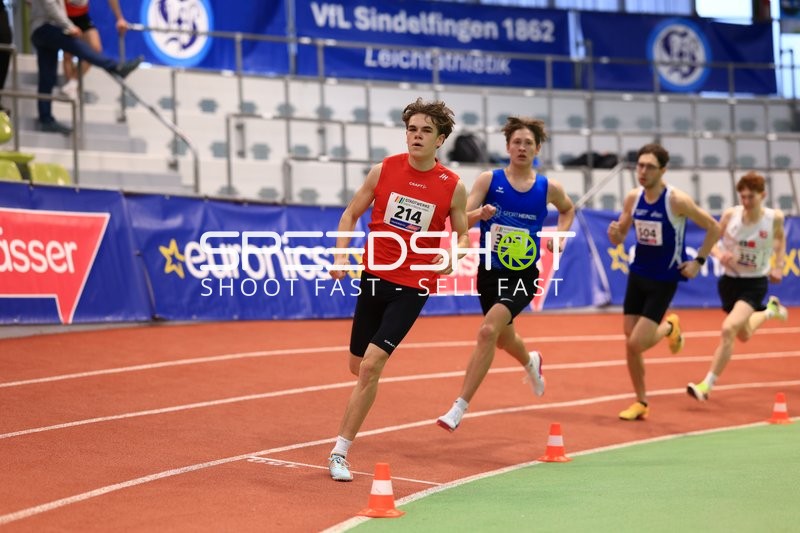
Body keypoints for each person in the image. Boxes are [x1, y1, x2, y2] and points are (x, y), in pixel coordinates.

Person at [326, 98, 470, 482]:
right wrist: (341, 256)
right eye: (412, 129)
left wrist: (452, 256)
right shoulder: (384, 170)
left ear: (440, 139)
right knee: (357, 366)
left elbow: (462, 234)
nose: (416, 136)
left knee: (372, 366)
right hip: (375, 277)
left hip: (413, 285)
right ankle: (367, 384)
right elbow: (350, 214)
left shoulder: (452, 186)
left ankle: (339, 452)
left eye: (425, 131)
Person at [436, 116, 575, 432]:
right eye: (517, 142)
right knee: (502, 337)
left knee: (487, 331)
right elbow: (461, 222)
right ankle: (531, 362)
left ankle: (459, 406)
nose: (522, 147)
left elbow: (568, 210)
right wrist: (479, 214)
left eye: (528, 143)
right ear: (508, 147)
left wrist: (560, 236)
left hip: (524, 275)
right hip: (489, 272)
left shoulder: (547, 188)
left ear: (537, 148)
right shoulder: (489, 181)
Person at [607, 143, 720, 421]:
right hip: (638, 274)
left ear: (663, 170)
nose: (642, 171)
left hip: (664, 279)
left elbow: (714, 228)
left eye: (649, 167)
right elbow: (620, 236)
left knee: (636, 344)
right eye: (640, 165)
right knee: (629, 339)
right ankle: (641, 401)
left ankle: (671, 326)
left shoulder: (676, 201)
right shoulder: (633, 198)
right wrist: (615, 234)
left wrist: (699, 262)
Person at [687, 172, 788, 401]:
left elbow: (780, 240)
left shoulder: (774, 218)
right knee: (743, 334)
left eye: (751, 197)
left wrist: (779, 266)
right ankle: (770, 310)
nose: (745, 202)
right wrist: (719, 254)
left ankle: (706, 386)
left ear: (763, 195)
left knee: (728, 329)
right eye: (742, 197)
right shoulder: (730, 215)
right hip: (730, 282)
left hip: (755, 283)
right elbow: (712, 238)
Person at [30, 0, 143, 135]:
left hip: (43, 27)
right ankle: (114, 67)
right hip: (47, 26)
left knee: (47, 78)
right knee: (76, 46)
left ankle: (46, 119)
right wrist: (69, 26)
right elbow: (50, 5)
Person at [60, 0, 129, 100]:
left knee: (95, 50)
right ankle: (70, 91)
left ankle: (72, 84)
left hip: (82, 16)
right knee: (68, 54)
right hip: (64, 17)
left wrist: (120, 18)